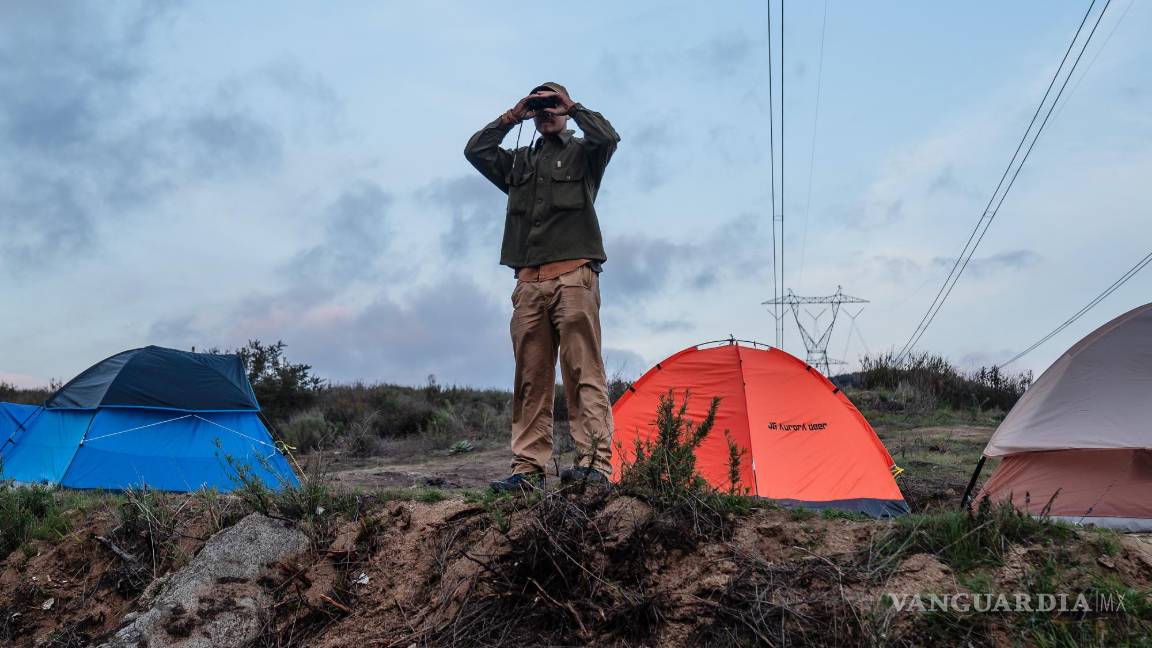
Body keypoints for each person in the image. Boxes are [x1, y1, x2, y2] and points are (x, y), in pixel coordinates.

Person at [464, 82, 620, 491]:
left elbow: (607, 136)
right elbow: (475, 150)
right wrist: (512, 115)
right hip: (528, 283)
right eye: (540, 106)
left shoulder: (584, 154)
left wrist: (573, 107)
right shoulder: (518, 163)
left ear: (565, 109)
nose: (546, 111)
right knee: (530, 379)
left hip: (574, 277)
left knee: (581, 370)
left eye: (553, 104)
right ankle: (527, 469)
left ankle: (593, 466)